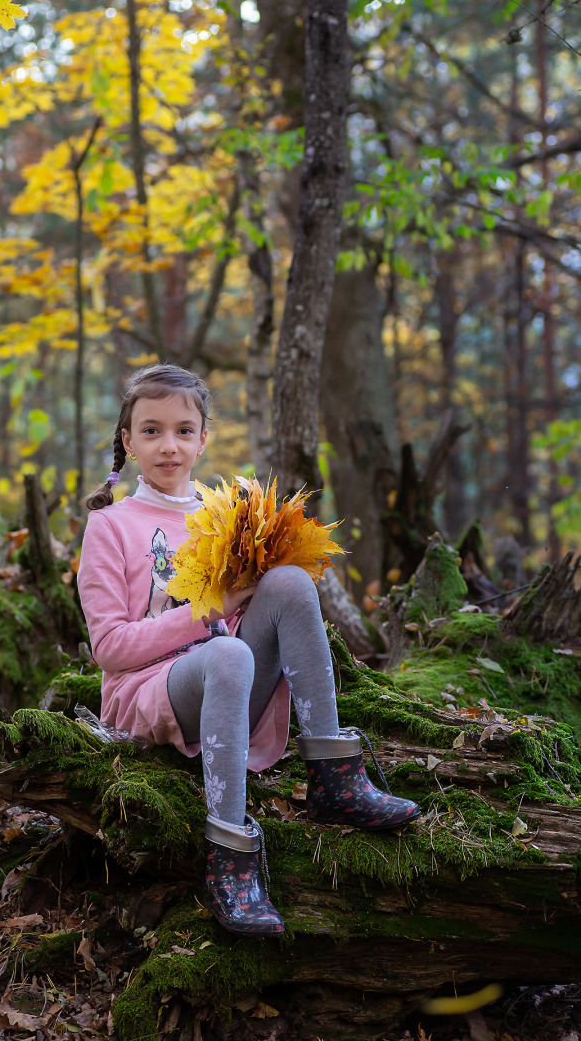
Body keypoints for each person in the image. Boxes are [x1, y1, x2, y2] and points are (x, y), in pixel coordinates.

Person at [77, 364, 419, 938]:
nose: (170, 445)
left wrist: (245, 597)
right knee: (229, 655)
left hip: (229, 685)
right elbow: (109, 649)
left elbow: (250, 615)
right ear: (127, 442)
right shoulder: (110, 526)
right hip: (148, 694)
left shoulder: (226, 518)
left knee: (290, 582)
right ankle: (229, 859)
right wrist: (209, 611)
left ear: (204, 439)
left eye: (184, 431)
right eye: (152, 430)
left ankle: (334, 776)